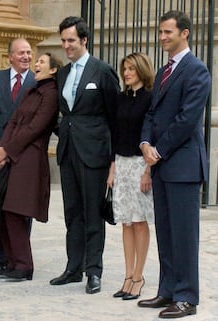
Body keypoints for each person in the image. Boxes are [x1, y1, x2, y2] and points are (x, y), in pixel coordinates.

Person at [137, 11, 211, 319]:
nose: (162, 37)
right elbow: (152, 113)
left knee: (184, 235)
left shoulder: (197, 70)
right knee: (166, 233)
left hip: (182, 167)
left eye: (168, 32)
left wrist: (159, 150)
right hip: (162, 164)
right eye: (160, 32)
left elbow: (186, 120)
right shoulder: (166, 70)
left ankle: (186, 297)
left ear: (186, 33)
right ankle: (167, 290)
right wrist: (144, 145)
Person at [50, 16, 120, 294]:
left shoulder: (102, 71)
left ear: (84, 40)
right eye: (63, 40)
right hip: (68, 152)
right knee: (72, 213)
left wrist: (114, 159)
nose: (66, 45)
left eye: (71, 40)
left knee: (93, 214)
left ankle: (94, 271)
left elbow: (115, 118)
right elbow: (64, 113)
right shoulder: (63, 74)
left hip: (95, 154)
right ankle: (73, 267)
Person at [0, 53, 62, 281]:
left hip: (30, 157)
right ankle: (13, 262)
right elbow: (13, 121)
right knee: (6, 209)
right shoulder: (32, 89)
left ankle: (24, 265)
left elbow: (35, 128)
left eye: (42, 61)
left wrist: (8, 150)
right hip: (14, 155)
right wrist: (3, 149)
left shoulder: (50, 94)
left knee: (16, 210)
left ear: (53, 70)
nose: (36, 64)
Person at [0, 38, 36, 271]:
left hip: (23, 152)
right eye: (21, 53)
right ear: (10, 57)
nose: (26, 56)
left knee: (20, 204)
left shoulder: (37, 81)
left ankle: (17, 255)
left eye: (29, 52)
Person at [107, 53, 155, 300]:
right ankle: (127, 276)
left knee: (139, 220)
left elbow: (152, 135)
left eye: (131, 69)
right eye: (124, 69)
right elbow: (115, 134)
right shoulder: (120, 98)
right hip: (122, 163)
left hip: (140, 164)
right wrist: (113, 168)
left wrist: (148, 170)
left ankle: (139, 276)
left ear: (142, 71)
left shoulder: (150, 99)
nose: (126, 73)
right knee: (125, 221)